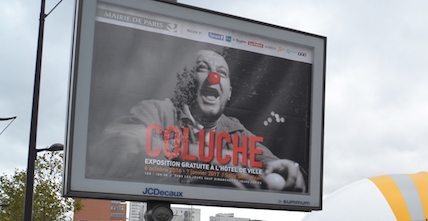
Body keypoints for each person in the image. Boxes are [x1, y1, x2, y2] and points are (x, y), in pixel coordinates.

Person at [87, 49, 306, 192]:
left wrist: (285, 169)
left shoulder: (236, 132)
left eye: (222, 73)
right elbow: (119, 143)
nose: (213, 77)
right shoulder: (159, 111)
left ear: (229, 92)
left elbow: (266, 159)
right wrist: (201, 157)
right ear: (189, 82)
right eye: (203, 69)